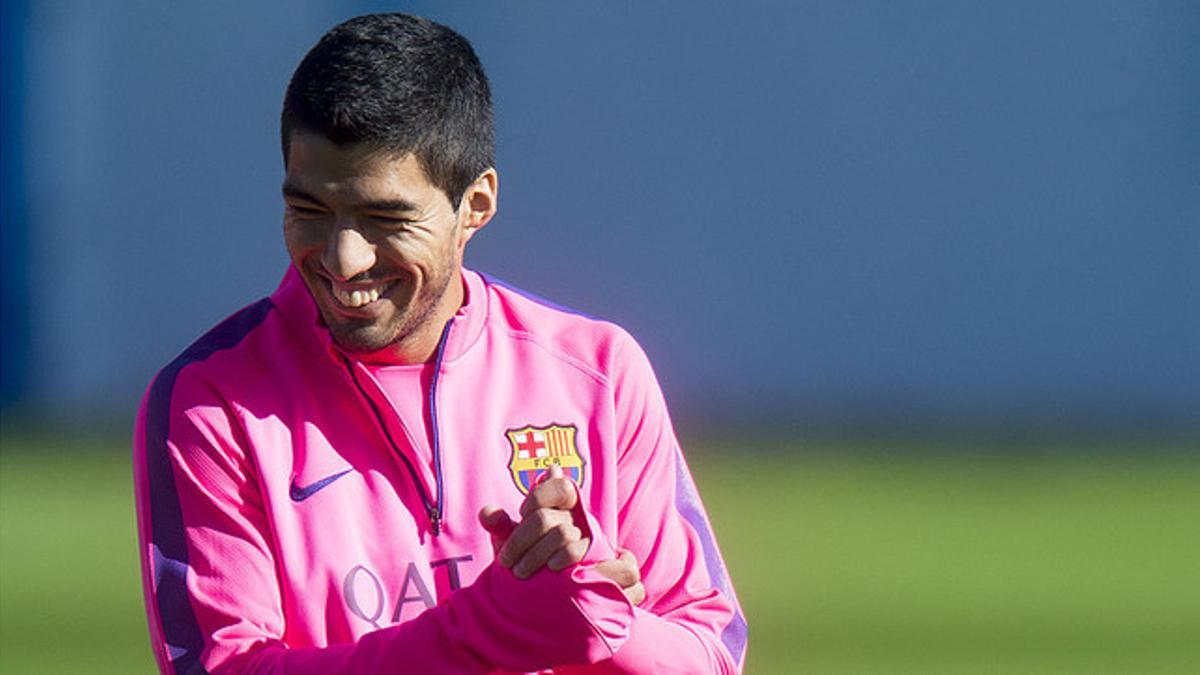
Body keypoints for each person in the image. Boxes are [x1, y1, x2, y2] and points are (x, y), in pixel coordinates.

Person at [133, 12, 746, 674]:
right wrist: (489, 626)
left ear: (475, 205)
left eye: (385, 218)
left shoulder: (598, 372)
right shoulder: (210, 400)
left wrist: (601, 615)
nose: (342, 258)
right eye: (309, 210)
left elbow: (708, 652)